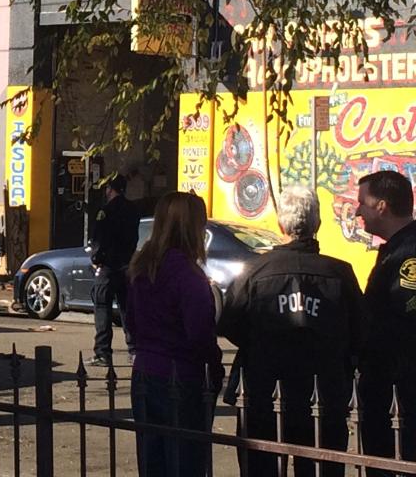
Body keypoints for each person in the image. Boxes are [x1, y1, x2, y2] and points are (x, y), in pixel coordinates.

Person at [219, 185, 364, 477]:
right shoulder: (340, 273)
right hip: (322, 393)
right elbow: (360, 331)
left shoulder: (254, 271)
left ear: (281, 224)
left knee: (261, 468)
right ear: (318, 224)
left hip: (263, 390)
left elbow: (229, 322)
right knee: (321, 468)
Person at [126, 191, 222, 477]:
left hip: (144, 371)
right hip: (182, 376)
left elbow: (131, 321)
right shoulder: (188, 275)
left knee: (152, 461)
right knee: (185, 462)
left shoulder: (141, 268)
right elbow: (200, 333)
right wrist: (214, 365)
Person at [354, 170, 416, 475]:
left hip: (399, 391)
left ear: (381, 205)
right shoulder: (396, 249)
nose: (356, 211)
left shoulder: (408, 255)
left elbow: (401, 323)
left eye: (361, 203)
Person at [87, 173, 141, 367]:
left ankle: (103, 353)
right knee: (127, 309)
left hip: (108, 266)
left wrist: (96, 259)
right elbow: (134, 238)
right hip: (126, 266)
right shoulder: (133, 210)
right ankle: (134, 350)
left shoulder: (106, 211)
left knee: (102, 308)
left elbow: (99, 239)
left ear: (110, 189)